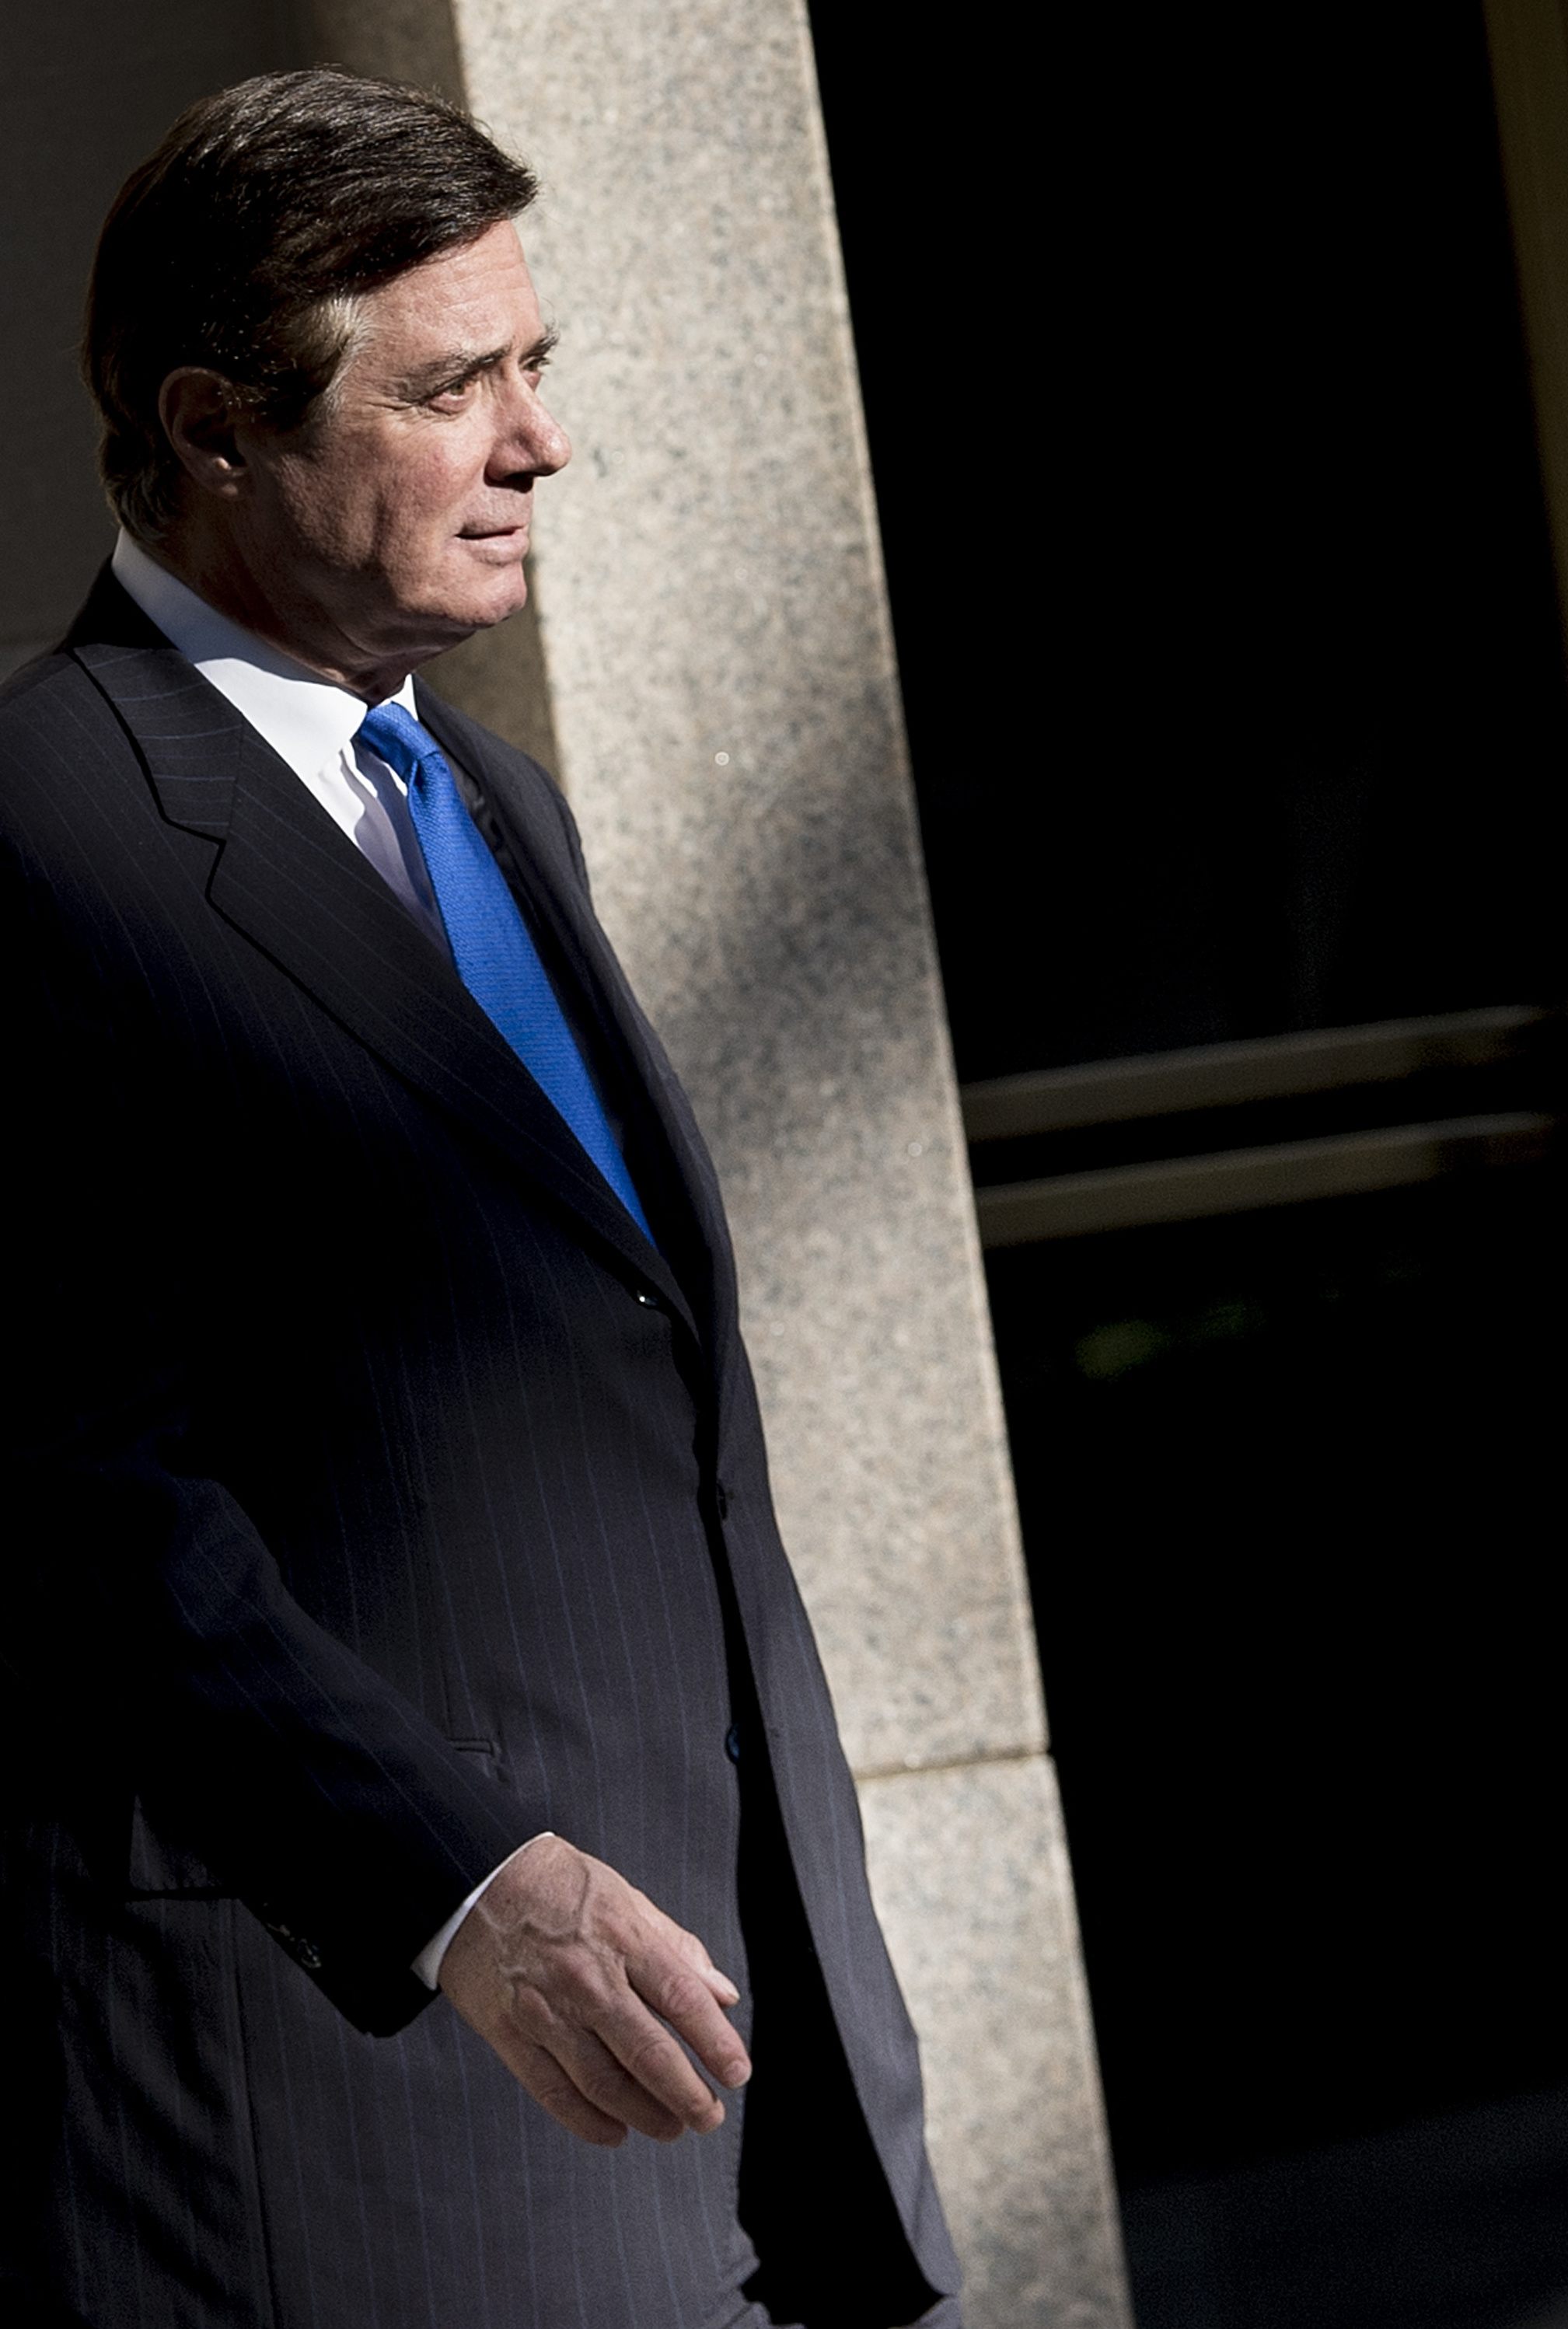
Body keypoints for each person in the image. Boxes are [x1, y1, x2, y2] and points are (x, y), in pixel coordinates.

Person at [0, 70, 961, 2329]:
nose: (541, 443)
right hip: (358, 2132)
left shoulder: (492, 796)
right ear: (216, 425)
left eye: (540, 369)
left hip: (729, 2088)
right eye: (451, 387)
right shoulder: (35, 833)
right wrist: (453, 1887)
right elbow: (64, 1490)